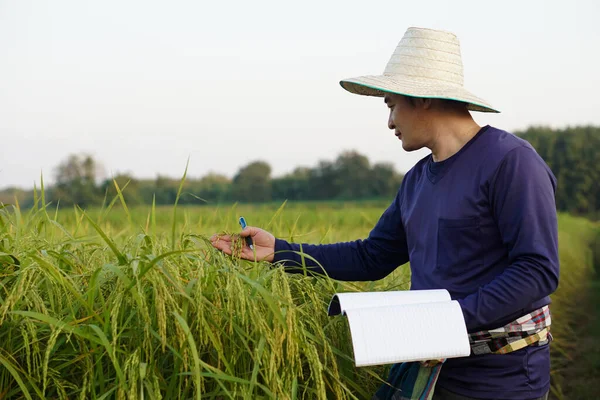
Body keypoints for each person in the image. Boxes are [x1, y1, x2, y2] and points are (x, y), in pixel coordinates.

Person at [210, 27, 558, 400]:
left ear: (422, 99)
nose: (390, 121)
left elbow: (536, 270)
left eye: (392, 105)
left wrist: (444, 321)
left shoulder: (510, 162)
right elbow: (371, 256)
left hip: (500, 377)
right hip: (428, 367)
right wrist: (279, 251)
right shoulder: (416, 181)